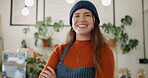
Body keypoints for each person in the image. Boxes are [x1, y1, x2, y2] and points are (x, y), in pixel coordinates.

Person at [38, 0, 114, 78]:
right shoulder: (59, 51)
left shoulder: (104, 52)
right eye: (77, 15)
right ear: (71, 22)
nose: (81, 19)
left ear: (95, 21)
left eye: (87, 15)